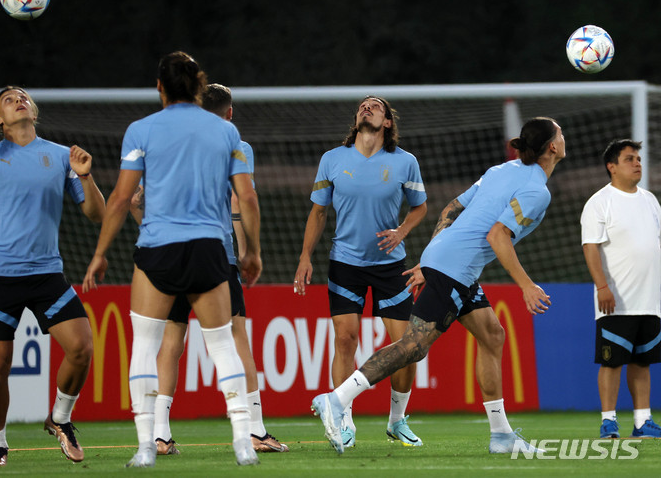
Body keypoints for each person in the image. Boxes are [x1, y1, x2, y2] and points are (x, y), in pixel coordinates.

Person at [311, 116, 565, 455]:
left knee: (492, 335)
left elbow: (452, 208)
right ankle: (336, 399)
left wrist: (432, 255)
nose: (564, 136)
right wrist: (526, 285)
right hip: (456, 268)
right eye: (560, 132)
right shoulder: (536, 190)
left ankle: (501, 435)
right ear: (552, 146)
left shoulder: (500, 171)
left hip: (451, 261)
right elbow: (497, 236)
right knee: (414, 346)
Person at [82, 52, 262, 468]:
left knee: (146, 345)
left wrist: (100, 254)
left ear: (159, 87)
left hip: (158, 249)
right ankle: (242, 441)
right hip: (208, 248)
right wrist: (252, 251)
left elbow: (124, 198)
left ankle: (147, 446)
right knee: (222, 345)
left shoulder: (141, 130)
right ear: (198, 86)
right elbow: (247, 196)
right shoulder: (224, 132)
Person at [0, 86, 106, 467]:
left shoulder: (63, 155)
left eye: (23, 96)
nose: (18, 99)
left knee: (82, 348)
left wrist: (87, 176)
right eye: (8, 98)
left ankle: (60, 418)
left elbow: (95, 214)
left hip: (46, 272)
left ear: (33, 109)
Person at [130, 83, 287, 455]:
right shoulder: (234, 143)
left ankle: (159, 434)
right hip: (213, 255)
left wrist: (140, 217)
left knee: (168, 345)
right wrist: (252, 251)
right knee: (234, 340)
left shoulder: (171, 142)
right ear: (230, 114)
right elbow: (244, 198)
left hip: (165, 254)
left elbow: (138, 201)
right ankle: (254, 430)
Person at [294, 96, 428, 448]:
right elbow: (318, 213)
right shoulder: (332, 160)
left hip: (390, 266)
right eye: (363, 106)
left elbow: (420, 207)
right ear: (356, 120)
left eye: (376, 107)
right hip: (345, 264)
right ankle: (342, 420)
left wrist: (402, 231)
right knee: (344, 339)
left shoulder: (404, 162)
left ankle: (397, 421)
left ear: (387, 123)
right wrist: (305, 256)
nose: (366, 108)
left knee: (409, 347)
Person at [581, 139, 661, 439]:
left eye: (638, 158)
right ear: (611, 166)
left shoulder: (651, 200)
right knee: (611, 361)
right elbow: (590, 247)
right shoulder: (600, 202)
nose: (637, 163)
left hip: (651, 300)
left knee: (643, 362)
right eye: (629, 159)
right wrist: (602, 286)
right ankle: (609, 421)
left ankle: (643, 422)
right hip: (616, 300)